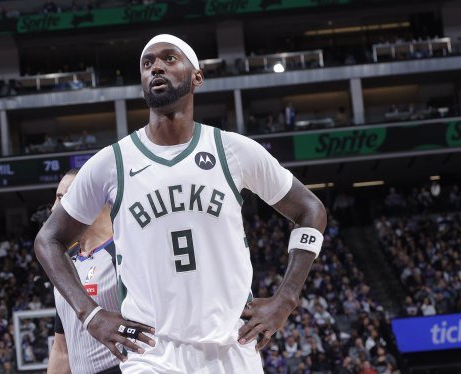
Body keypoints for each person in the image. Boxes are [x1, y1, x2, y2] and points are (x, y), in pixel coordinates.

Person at [35, 33, 326, 373]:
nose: (156, 66)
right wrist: (91, 314)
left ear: (196, 76)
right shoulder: (110, 162)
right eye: (148, 63)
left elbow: (311, 210)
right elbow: (48, 239)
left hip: (232, 347)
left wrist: (285, 300)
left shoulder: (232, 149)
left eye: (169, 59)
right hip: (152, 352)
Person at [46, 168, 122, 374]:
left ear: (93, 200)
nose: (54, 209)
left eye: (62, 198)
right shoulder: (64, 264)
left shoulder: (124, 255)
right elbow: (62, 349)